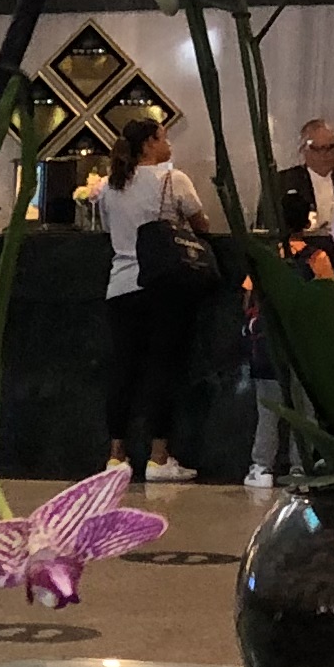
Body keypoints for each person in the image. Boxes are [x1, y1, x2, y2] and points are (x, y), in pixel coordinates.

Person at [97, 115, 214, 485]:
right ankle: (159, 457)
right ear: (149, 144)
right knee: (162, 370)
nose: (169, 144)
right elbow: (202, 225)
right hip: (163, 287)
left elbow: (108, 231)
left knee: (123, 371)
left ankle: (116, 456)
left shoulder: (109, 187)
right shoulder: (172, 180)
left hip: (120, 287)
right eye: (163, 138)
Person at [269, 117, 334, 245]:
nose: (325, 154)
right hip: (299, 250)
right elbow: (269, 226)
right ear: (303, 150)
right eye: (318, 148)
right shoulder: (284, 182)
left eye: (331, 147)